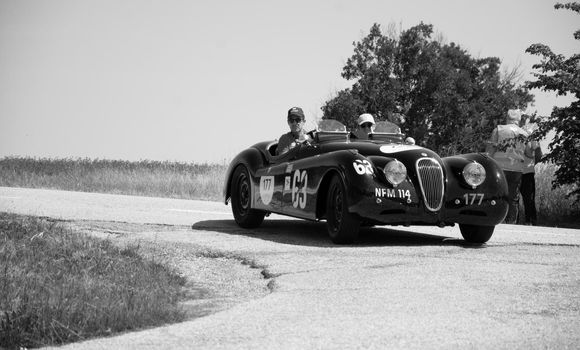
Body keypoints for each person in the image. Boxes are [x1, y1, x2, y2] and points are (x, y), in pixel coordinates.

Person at [486, 109, 529, 224]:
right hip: (516, 169)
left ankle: (495, 219)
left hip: (499, 168)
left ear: (507, 118)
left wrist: (487, 165)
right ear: (519, 120)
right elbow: (529, 153)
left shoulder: (498, 130)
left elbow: (490, 150)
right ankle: (511, 222)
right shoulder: (524, 134)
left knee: (497, 195)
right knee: (513, 197)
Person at [519, 115, 543, 225]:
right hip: (528, 171)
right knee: (529, 199)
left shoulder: (516, 135)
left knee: (513, 199)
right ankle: (531, 221)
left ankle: (513, 221)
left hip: (515, 170)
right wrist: (532, 163)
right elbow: (539, 155)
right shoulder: (533, 137)